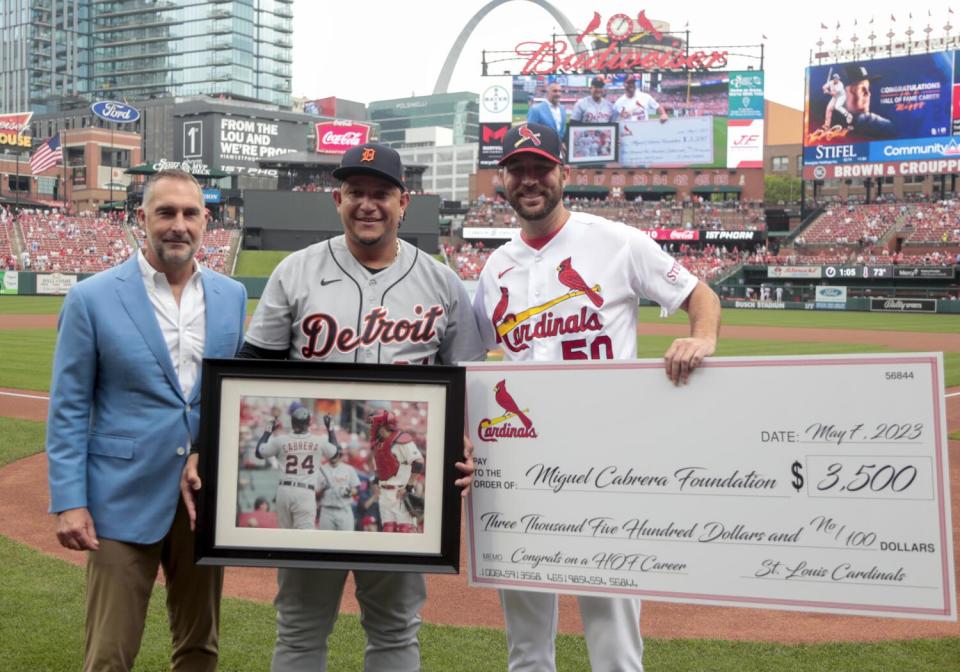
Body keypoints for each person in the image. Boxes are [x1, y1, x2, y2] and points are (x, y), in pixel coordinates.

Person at [183, 142, 486, 672]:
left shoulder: (442, 281)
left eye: (381, 194)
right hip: (319, 484)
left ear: (403, 202)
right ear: (336, 199)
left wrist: (466, 440)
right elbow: (251, 371)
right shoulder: (296, 272)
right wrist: (204, 448)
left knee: (395, 631)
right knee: (300, 627)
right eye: (355, 193)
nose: (368, 204)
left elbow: (469, 380)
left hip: (399, 486)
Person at [472, 122, 721, 672]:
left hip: (607, 457)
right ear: (504, 180)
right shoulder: (495, 267)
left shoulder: (616, 241)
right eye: (518, 170)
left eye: (541, 168)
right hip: (522, 463)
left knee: (612, 629)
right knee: (526, 636)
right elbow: (471, 355)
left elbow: (698, 293)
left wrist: (701, 337)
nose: (529, 180)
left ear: (564, 173)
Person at [46, 168, 247, 672]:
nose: (178, 225)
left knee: (200, 649)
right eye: (166, 212)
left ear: (206, 221)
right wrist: (70, 502)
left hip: (202, 497)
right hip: (121, 495)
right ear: (141, 219)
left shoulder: (231, 296)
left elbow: (232, 394)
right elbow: (69, 406)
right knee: (110, 653)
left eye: (190, 213)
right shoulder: (91, 298)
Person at [255, 407, 337, 530]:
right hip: (305, 492)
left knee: (285, 536)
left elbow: (258, 453)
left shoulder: (280, 440)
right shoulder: (318, 441)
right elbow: (334, 453)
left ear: (292, 423)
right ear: (309, 423)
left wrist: (268, 431)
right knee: (304, 539)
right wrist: (330, 429)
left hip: (284, 491)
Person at [368, 410, 423, 533]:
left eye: (374, 424)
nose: (372, 428)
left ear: (382, 425)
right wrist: (376, 482)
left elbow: (418, 462)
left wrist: (409, 486)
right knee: (388, 530)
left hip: (400, 492)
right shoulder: (378, 444)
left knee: (405, 531)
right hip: (384, 494)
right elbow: (380, 468)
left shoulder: (402, 439)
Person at [315, 415, 361, 531]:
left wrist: (350, 492)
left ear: (340, 454)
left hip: (344, 509)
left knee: (346, 543)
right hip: (327, 509)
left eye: (337, 454)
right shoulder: (321, 469)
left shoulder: (349, 469)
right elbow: (315, 494)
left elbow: (357, 489)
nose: (335, 456)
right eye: (332, 454)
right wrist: (323, 489)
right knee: (325, 543)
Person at [836, 64, 895, 139]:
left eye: (868, 88)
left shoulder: (883, 126)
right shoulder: (823, 121)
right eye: (862, 89)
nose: (868, 94)